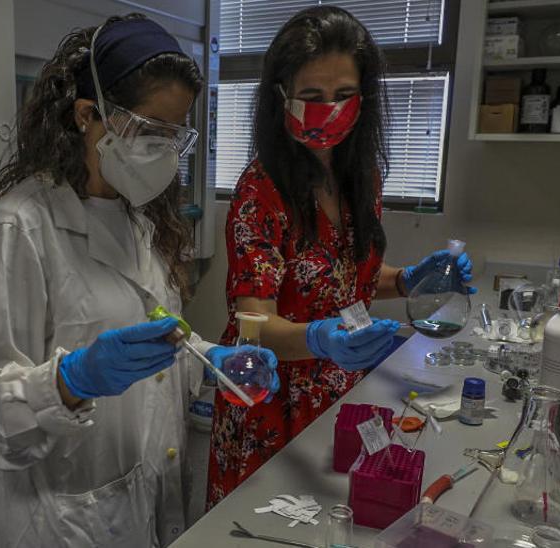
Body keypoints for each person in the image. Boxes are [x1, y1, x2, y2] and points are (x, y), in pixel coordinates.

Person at [0, 15, 279, 547]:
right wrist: (70, 381)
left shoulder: (141, 218)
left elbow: (151, 333)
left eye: (176, 134)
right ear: (88, 115)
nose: (164, 149)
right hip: (63, 519)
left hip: (147, 499)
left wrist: (207, 360)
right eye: (151, 129)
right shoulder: (17, 228)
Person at [207, 6, 473, 507]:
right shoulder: (261, 190)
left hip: (341, 388)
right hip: (270, 397)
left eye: (344, 95)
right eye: (311, 96)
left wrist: (414, 280)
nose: (329, 109)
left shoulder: (361, 178)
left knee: (339, 520)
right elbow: (252, 325)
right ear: (281, 96)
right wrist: (317, 337)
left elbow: (351, 280)